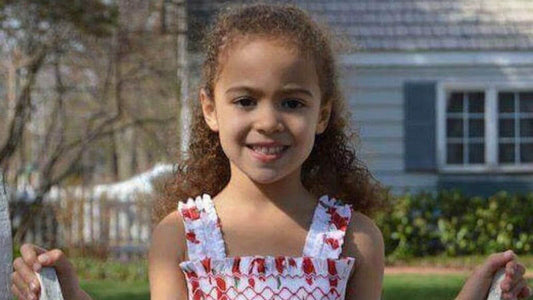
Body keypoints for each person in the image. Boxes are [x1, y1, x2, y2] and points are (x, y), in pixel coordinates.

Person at [10, 3, 532, 300]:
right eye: (244, 100)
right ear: (210, 110)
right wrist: (66, 294)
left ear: (322, 114)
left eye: (291, 101)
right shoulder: (180, 235)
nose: (268, 121)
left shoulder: (354, 239)